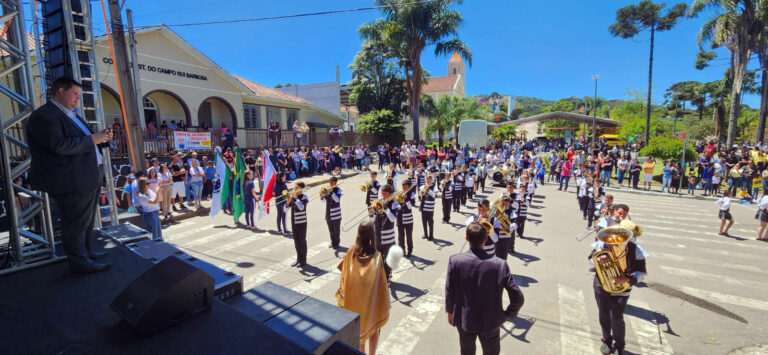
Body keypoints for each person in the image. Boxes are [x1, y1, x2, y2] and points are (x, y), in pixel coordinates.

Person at [26, 77, 113, 273]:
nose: (78, 100)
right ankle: (79, 262)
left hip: (87, 176)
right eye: (75, 95)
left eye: (79, 96)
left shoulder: (71, 115)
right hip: (71, 180)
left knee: (87, 220)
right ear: (61, 91)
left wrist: (103, 139)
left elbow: (84, 141)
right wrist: (94, 138)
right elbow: (57, 145)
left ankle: (87, 253)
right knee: (75, 222)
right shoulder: (45, 116)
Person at [445, 222, 524, 355]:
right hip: (491, 321)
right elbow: (518, 298)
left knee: (467, 352)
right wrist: (506, 315)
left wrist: (450, 311)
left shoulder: (455, 261)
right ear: (486, 239)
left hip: (465, 319)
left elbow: (450, 290)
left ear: (466, 239)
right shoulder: (500, 265)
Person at [590, 220, 647, 355]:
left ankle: (619, 346)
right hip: (601, 283)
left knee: (617, 317)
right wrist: (598, 259)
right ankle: (606, 341)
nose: (622, 238)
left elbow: (642, 273)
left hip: (622, 287)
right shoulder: (603, 243)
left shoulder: (636, 250)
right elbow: (590, 258)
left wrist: (628, 279)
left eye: (627, 235)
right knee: (603, 314)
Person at [336, 221, 391, 354]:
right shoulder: (376, 256)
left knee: (359, 332)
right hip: (370, 301)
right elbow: (382, 281)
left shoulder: (351, 252)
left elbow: (340, 267)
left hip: (354, 300)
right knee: (373, 327)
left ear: (358, 235)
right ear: (372, 235)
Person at [371, 184, 398, 280]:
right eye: (382, 193)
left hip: (388, 238)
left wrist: (386, 209)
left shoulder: (394, 204)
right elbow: (374, 220)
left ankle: (386, 278)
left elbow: (392, 218)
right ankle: (382, 276)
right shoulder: (379, 203)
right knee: (379, 259)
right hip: (378, 236)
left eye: (385, 194)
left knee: (387, 260)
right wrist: (372, 215)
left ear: (390, 194)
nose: (383, 196)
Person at [285, 181, 309, 267]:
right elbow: (285, 210)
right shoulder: (293, 198)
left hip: (302, 223)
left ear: (301, 188)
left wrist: (295, 198)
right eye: (294, 187)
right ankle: (298, 258)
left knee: (302, 241)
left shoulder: (304, 197)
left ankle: (303, 260)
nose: (294, 189)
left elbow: (302, 207)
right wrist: (288, 202)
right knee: (296, 242)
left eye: (296, 188)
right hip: (294, 223)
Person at [321, 176, 343, 249]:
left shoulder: (339, 190)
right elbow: (323, 201)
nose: (330, 184)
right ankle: (332, 241)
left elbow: (337, 200)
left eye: (331, 182)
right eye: (329, 182)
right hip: (328, 213)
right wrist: (322, 196)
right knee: (331, 229)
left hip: (336, 213)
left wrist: (331, 192)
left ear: (335, 183)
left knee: (336, 230)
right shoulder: (327, 190)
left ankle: (336, 243)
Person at [397, 180, 416, 256]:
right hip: (400, 218)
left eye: (405, 186)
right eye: (403, 186)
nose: (404, 188)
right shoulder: (399, 193)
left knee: (409, 236)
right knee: (400, 237)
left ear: (409, 187)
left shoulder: (412, 194)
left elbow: (410, 206)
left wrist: (406, 198)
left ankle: (410, 250)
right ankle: (402, 251)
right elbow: (397, 206)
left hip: (408, 219)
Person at [419, 174, 437, 241]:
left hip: (430, 208)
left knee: (430, 222)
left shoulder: (434, 187)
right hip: (423, 207)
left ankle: (431, 235)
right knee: (424, 222)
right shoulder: (423, 186)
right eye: (427, 179)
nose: (428, 180)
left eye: (429, 179)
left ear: (432, 180)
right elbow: (420, 194)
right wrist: (422, 191)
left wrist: (428, 189)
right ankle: (425, 234)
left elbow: (434, 196)